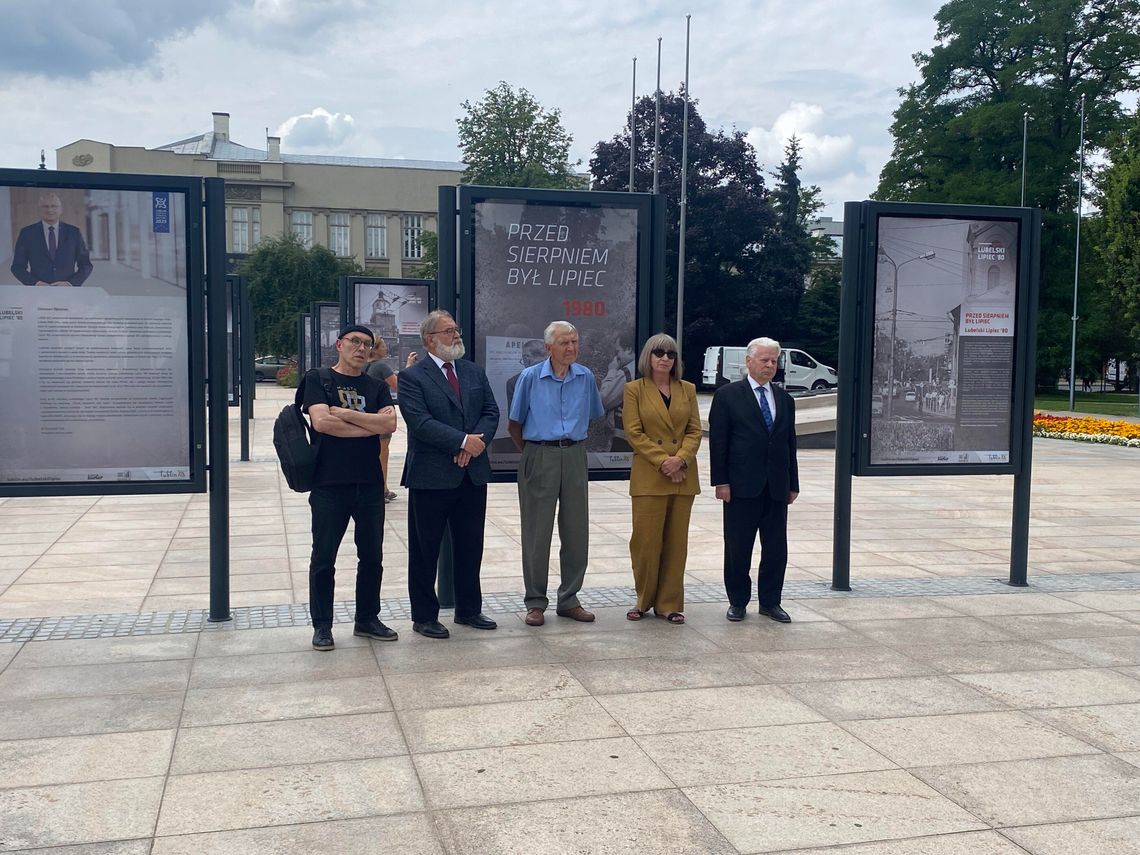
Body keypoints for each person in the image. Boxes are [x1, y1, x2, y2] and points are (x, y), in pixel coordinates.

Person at [398, 310, 500, 639]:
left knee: (471, 545)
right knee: (425, 549)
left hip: (471, 474)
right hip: (431, 476)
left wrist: (472, 444)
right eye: (449, 331)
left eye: (456, 329)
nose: (457, 335)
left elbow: (491, 411)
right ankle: (424, 616)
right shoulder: (413, 376)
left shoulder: (473, 371)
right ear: (430, 339)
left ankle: (468, 610)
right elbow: (420, 422)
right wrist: (461, 441)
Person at [302, 324, 398, 650]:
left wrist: (344, 414)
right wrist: (368, 424)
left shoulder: (375, 386)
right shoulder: (318, 379)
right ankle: (322, 625)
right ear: (340, 345)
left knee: (372, 557)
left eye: (367, 344)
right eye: (354, 342)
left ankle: (367, 619)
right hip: (329, 484)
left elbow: (390, 425)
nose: (361, 348)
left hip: (370, 484)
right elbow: (321, 423)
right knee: (323, 558)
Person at [508, 320, 604, 626]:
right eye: (564, 343)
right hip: (539, 452)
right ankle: (535, 601)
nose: (572, 348)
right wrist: (536, 452)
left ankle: (569, 598)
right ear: (549, 347)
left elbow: (592, 416)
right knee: (537, 532)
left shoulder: (585, 377)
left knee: (577, 530)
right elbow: (515, 424)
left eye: (575, 342)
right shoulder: (530, 377)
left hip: (574, 453)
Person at [709, 336, 800, 624]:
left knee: (776, 548)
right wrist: (720, 482)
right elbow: (718, 443)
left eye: (774, 360)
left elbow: (789, 443)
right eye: (765, 360)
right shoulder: (727, 395)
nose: (770, 365)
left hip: (775, 486)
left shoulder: (784, 399)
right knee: (738, 547)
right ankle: (738, 601)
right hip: (740, 485)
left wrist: (792, 483)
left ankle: (771, 602)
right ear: (749, 362)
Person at [623, 333, 702, 624]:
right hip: (650, 476)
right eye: (659, 353)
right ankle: (643, 600)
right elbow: (634, 432)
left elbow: (695, 430)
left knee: (675, 544)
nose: (665, 359)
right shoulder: (634, 389)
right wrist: (664, 461)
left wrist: (680, 459)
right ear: (648, 357)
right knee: (645, 543)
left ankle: (669, 604)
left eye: (670, 354)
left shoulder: (688, 389)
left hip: (682, 477)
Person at [10, 192, 93, 287]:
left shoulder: (74, 233)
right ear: (39, 210)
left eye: (54, 206)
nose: (50, 210)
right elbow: (17, 267)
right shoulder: (27, 233)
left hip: (67, 291)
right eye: (45, 206)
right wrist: (35, 283)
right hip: (38, 291)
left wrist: (70, 283)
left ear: (61, 209)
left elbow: (86, 265)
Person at [365, 337, 399, 503]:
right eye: (384, 345)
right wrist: (409, 368)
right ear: (376, 349)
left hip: (366, 416)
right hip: (381, 415)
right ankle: (381, 489)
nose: (386, 348)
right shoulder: (381, 366)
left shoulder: (362, 365)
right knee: (382, 454)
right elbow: (396, 384)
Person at [600, 339, 636, 452]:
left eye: (618, 351)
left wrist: (612, 371)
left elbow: (604, 399)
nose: (617, 357)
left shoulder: (628, 372)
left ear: (629, 350)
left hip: (623, 437)